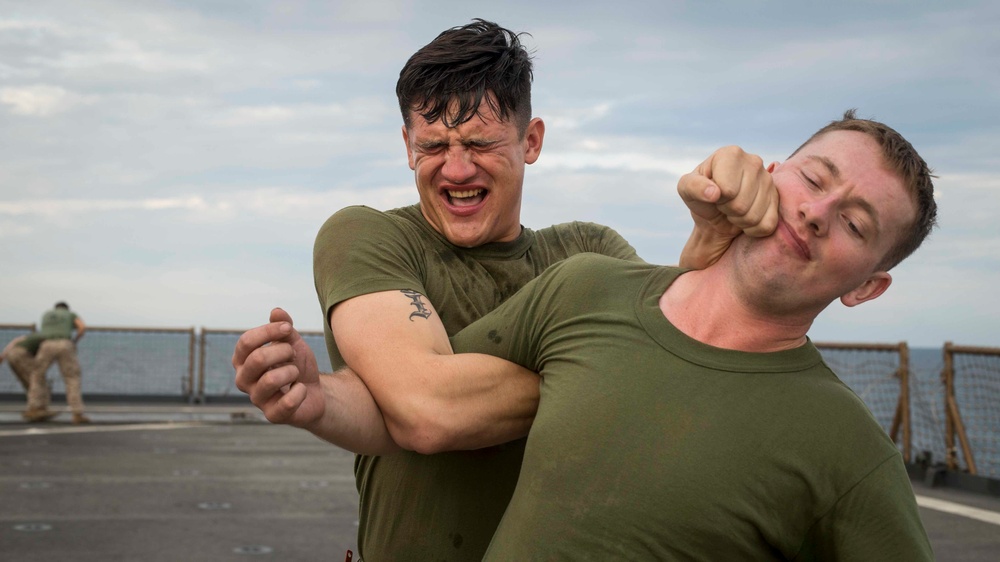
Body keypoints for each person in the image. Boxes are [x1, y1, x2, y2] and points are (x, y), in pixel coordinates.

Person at [233, 19, 777, 561]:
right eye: (434, 145)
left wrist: (713, 230)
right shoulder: (370, 237)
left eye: (479, 142)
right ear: (406, 145)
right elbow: (425, 411)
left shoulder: (590, 250)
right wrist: (321, 399)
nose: (456, 167)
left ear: (531, 140)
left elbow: (682, 350)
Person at [440, 110, 937, 559]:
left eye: (854, 224)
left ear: (867, 288)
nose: (815, 212)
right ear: (769, 173)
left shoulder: (851, 450)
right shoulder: (585, 286)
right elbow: (419, 400)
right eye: (812, 178)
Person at [24, 302, 90, 424]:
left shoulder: (46, 314)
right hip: (64, 343)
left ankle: (34, 407)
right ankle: (77, 413)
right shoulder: (70, 314)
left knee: (36, 375)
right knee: (71, 377)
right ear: (66, 308)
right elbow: (81, 328)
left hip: (46, 344)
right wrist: (75, 341)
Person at [2, 334, 52, 416]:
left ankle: (34, 406)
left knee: (28, 383)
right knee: (38, 382)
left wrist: (3, 355)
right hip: (22, 355)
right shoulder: (48, 340)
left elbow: (15, 341)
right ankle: (37, 409)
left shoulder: (30, 337)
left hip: (11, 355)